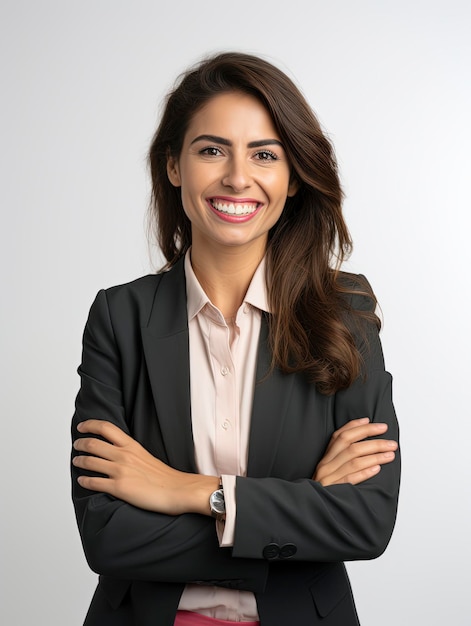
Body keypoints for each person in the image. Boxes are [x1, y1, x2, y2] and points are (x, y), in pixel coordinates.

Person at [71, 52, 400, 626]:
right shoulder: (118, 316)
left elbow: (364, 520)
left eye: (265, 155)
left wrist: (187, 491)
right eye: (211, 149)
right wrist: (290, 517)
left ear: (293, 177)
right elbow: (107, 536)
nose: (237, 177)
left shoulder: (344, 312)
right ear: (174, 165)